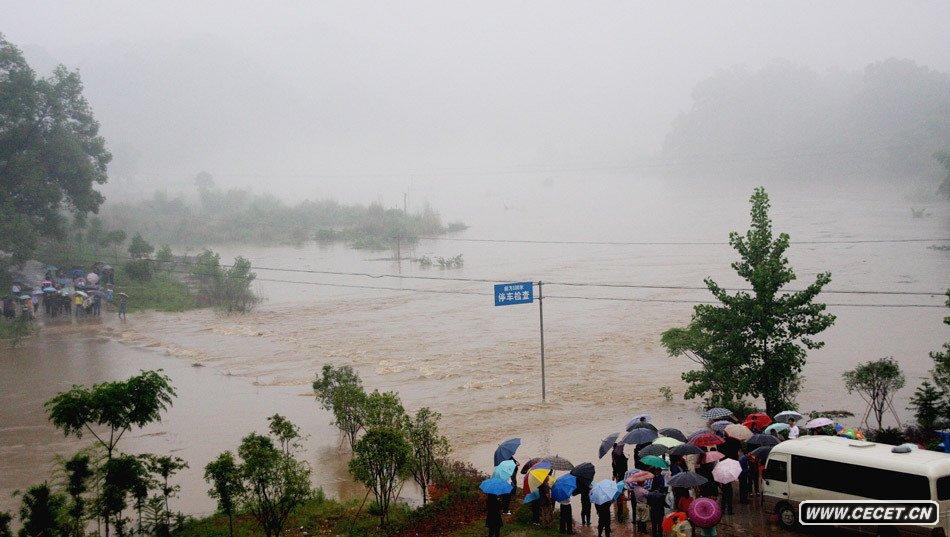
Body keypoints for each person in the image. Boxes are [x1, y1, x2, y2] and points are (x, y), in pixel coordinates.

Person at [647, 469, 667, 537]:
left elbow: (648, 503)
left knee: (654, 524)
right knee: (660, 523)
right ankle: (660, 534)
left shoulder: (650, 495)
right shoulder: (661, 495)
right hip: (660, 512)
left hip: (653, 512)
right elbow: (665, 504)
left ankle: (654, 534)